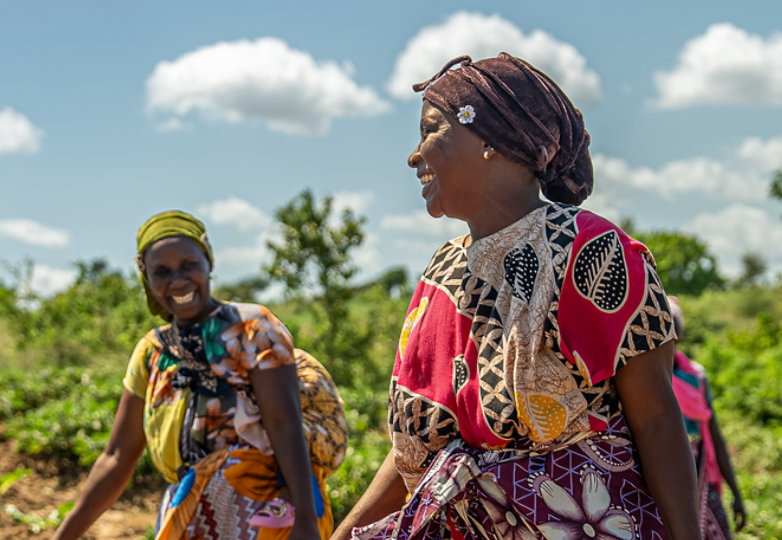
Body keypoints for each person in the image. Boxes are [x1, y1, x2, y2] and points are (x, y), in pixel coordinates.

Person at [332, 53, 701, 540]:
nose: (414, 154)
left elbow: (656, 419)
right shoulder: (441, 272)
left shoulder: (588, 249)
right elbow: (423, 446)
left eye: (431, 130)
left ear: (491, 141)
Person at [52, 210, 348, 540]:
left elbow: (284, 425)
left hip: (266, 511)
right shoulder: (152, 352)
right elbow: (117, 456)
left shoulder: (252, 329)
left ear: (209, 262)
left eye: (189, 265)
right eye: (161, 271)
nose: (178, 280)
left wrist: (305, 523)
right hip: (187, 514)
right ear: (146, 278)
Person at [668, 296, 746, 539]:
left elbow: (714, 435)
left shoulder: (696, 376)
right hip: (664, 476)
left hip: (701, 471)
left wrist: (736, 492)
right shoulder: (644, 381)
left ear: (678, 337)